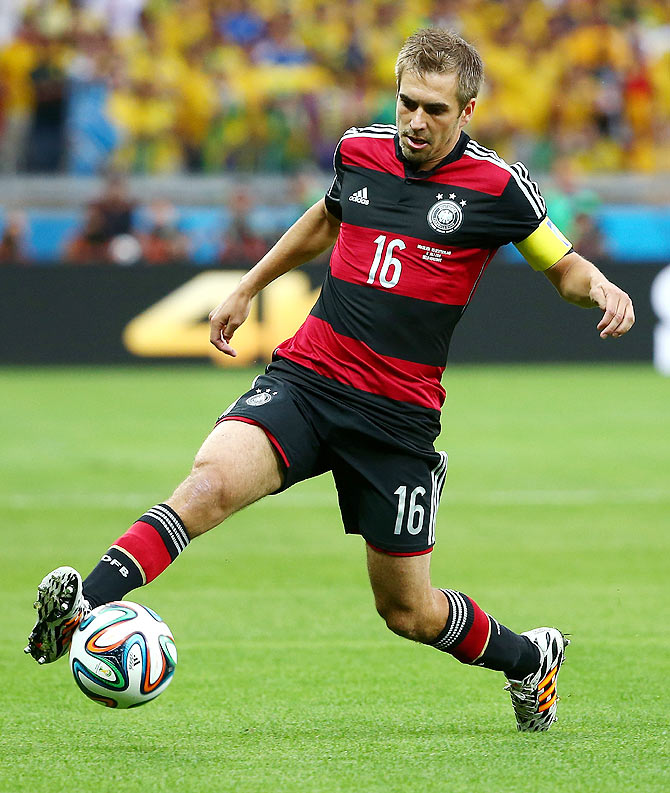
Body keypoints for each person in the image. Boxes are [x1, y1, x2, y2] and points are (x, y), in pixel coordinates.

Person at [25, 28, 635, 733]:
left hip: (395, 420)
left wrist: (600, 287)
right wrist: (248, 285)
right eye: (407, 102)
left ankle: (528, 658)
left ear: (467, 111)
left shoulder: (498, 186)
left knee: (408, 611)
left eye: (435, 109)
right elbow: (325, 218)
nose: (415, 121)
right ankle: (85, 607)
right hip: (308, 379)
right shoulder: (359, 150)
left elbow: (562, 266)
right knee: (209, 484)